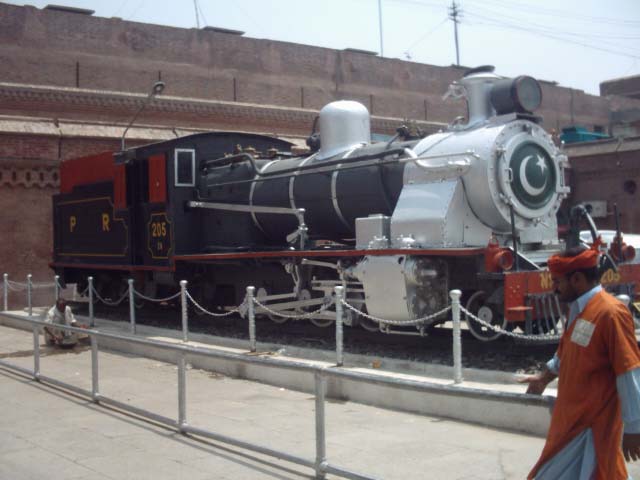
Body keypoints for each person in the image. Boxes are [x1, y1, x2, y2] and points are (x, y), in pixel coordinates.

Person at [519, 243, 640, 479]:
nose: (554, 289)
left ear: (576, 279)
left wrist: (634, 427)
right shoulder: (579, 310)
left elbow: (628, 372)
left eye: (557, 282)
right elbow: (568, 353)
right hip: (570, 424)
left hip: (592, 428)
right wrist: (544, 378)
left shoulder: (610, 313)